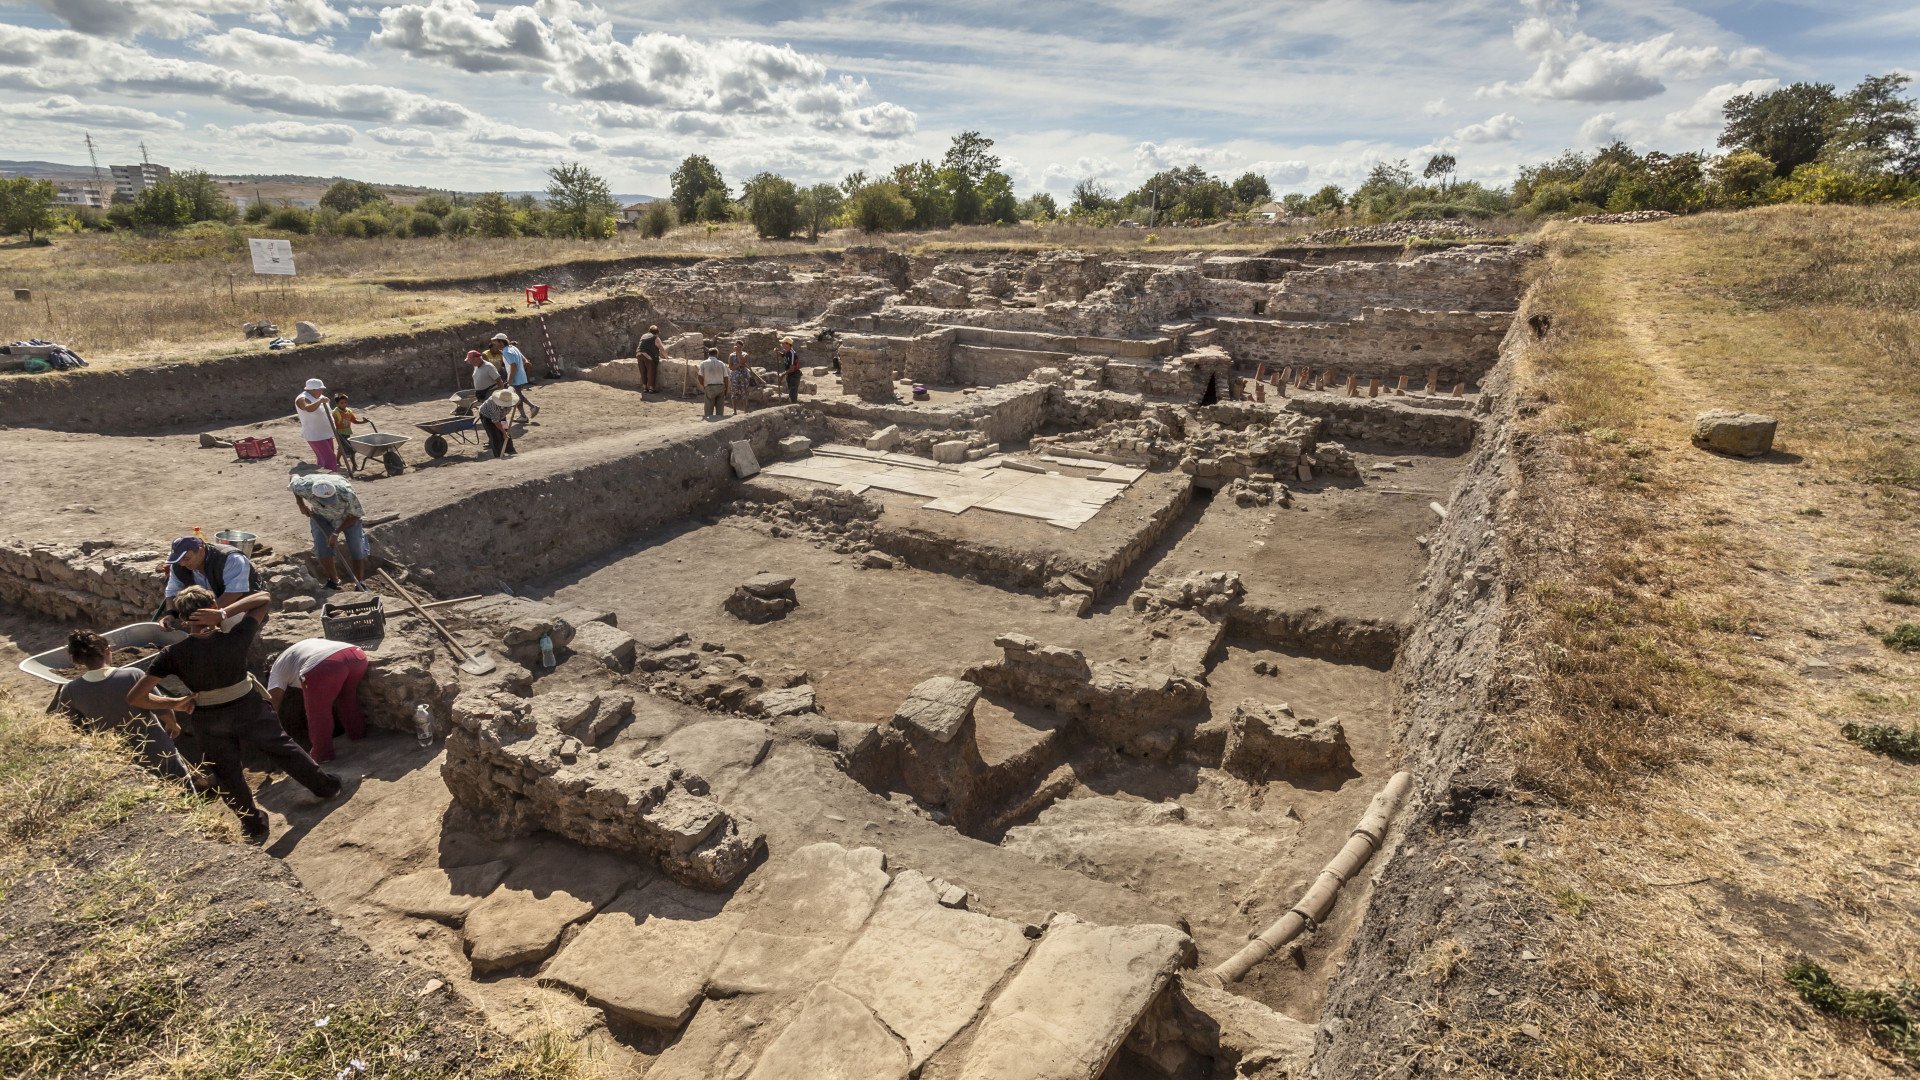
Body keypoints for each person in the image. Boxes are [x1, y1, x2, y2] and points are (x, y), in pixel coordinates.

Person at [128, 587, 340, 843]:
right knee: (282, 748)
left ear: (183, 621)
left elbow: (136, 697)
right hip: (247, 708)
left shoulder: (171, 655)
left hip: (207, 718)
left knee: (226, 772)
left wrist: (177, 703)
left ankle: (253, 825)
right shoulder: (236, 637)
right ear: (211, 607)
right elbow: (264, 598)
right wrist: (224, 612)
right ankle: (325, 787)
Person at [48, 629, 192, 784]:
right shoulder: (132, 675)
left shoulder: (71, 690)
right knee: (182, 788)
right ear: (108, 650)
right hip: (157, 751)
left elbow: (69, 726)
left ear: (77, 660)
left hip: (119, 759)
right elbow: (160, 706)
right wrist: (172, 724)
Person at [267, 638, 369, 763]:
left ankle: (322, 754)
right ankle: (357, 734)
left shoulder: (276, 669)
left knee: (318, 712)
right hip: (356, 655)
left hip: (325, 665)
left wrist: (266, 731)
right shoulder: (296, 651)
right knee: (346, 698)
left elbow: (273, 701)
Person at [160, 534, 262, 629]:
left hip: (244, 606)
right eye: (179, 560)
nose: (182, 564)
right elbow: (172, 592)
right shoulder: (178, 565)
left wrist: (208, 616)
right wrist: (171, 614)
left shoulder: (231, 559)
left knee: (231, 623)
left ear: (200, 551)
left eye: (187, 558)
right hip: (212, 607)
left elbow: (234, 593)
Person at [289, 473, 366, 589]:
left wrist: (336, 532)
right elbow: (292, 477)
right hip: (321, 516)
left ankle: (359, 582)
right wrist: (300, 504)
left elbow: (356, 515)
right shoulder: (303, 486)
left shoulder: (347, 492)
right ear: (314, 495)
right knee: (321, 547)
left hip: (348, 516)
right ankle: (334, 581)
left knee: (357, 546)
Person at [489, 333, 541, 422]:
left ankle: (531, 408)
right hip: (520, 375)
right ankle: (524, 414)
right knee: (518, 395)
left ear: (501, 342)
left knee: (517, 396)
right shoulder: (513, 348)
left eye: (496, 342)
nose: (494, 344)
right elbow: (524, 360)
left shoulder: (506, 351)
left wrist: (510, 379)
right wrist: (524, 367)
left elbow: (513, 365)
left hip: (515, 377)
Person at [295, 377, 338, 470]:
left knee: (324, 457)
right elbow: (308, 408)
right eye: (320, 389)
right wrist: (320, 401)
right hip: (314, 435)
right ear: (312, 389)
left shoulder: (320, 397)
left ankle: (323, 475)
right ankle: (331, 477)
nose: (322, 391)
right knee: (330, 458)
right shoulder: (302, 398)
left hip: (326, 433)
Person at [479, 387, 519, 458]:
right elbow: (496, 421)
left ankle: (509, 450)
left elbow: (512, 388)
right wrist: (503, 433)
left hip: (502, 416)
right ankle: (499, 454)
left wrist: (516, 401)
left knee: (507, 431)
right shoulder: (495, 406)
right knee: (495, 435)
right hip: (487, 416)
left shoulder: (508, 395)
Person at [330, 393, 365, 472]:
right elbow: (331, 423)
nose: (344, 404)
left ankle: (337, 460)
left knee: (342, 447)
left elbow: (354, 421)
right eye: (341, 403)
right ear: (337, 403)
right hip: (339, 433)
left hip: (347, 432)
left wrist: (363, 422)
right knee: (351, 449)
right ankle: (354, 465)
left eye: (345, 402)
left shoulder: (348, 411)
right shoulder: (335, 413)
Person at [697, 347, 728, 420]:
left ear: (708, 354)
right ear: (717, 354)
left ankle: (709, 421)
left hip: (709, 387)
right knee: (720, 410)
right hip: (720, 387)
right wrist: (726, 390)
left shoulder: (703, 363)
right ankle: (719, 422)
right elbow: (726, 378)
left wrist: (704, 385)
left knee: (708, 410)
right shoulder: (722, 364)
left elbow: (699, 376)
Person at [636, 324, 663, 394]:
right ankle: (651, 388)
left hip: (638, 354)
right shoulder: (655, 338)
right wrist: (667, 357)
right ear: (656, 332)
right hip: (647, 355)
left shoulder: (643, 336)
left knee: (643, 371)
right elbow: (661, 348)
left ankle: (645, 388)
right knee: (651, 371)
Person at [727, 341, 752, 416]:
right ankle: (734, 411)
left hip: (744, 376)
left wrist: (738, 353)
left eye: (739, 347)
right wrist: (738, 365)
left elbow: (742, 360)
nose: (738, 348)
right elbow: (731, 367)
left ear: (742, 347)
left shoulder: (745, 354)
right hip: (735, 376)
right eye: (737, 346)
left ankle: (745, 410)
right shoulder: (731, 355)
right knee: (734, 393)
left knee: (744, 392)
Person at [777, 337, 803, 404]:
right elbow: (784, 356)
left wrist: (783, 374)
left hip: (794, 374)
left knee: (793, 391)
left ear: (788, 344)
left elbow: (792, 368)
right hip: (789, 374)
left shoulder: (792, 354)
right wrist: (778, 352)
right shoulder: (786, 351)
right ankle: (792, 403)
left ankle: (794, 406)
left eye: (783, 343)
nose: (782, 345)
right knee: (790, 390)